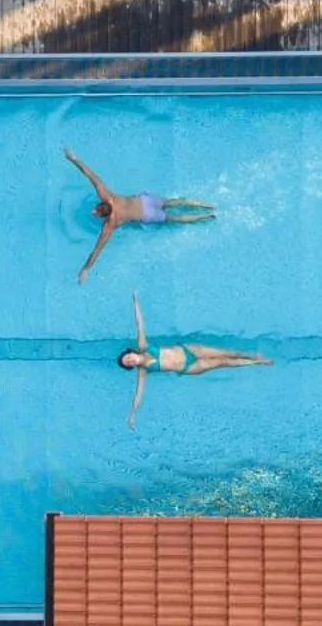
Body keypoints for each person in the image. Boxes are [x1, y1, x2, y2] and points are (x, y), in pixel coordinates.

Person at [118, 293, 271, 429]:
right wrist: (132, 415)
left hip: (189, 350)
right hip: (189, 367)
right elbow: (138, 395)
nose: (130, 361)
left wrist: (135, 301)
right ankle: (257, 362)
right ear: (132, 366)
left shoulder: (144, 346)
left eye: (128, 358)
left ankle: (252, 355)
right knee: (223, 362)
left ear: (131, 353)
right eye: (129, 363)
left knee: (226, 352)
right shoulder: (143, 371)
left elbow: (140, 325)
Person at [64, 147, 215, 283]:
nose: (93, 211)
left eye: (96, 212)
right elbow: (92, 176)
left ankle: (206, 217)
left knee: (176, 218)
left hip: (147, 214)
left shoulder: (111, 224)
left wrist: (86, 269)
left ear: (105, 216)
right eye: (96, 210)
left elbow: (97, 250)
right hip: (145, 200)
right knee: (174, 202)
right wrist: (74, 159)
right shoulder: (109, 197)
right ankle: (207, 205)